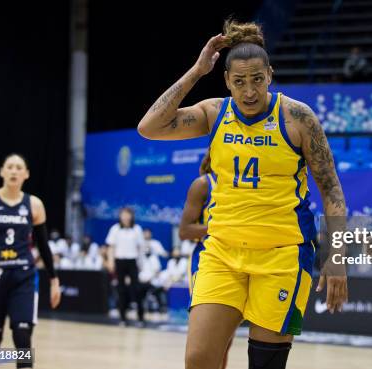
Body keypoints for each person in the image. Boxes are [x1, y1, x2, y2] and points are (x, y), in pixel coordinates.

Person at [137, 19, 348, 369]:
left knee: (264, 364)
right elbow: (150, 127)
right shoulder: (214, 112)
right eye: (238, 82)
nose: (248, 91)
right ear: (226, 82)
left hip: (281, 256)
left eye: (257, 80)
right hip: (222, 253)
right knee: (200, 359)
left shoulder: (297, 116)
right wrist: (196, 70)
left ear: (270, 75)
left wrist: (337, 256)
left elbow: (331, 189)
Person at [0, 153, 61, 369]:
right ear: (2, 171)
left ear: (26, 174)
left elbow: (43, 246)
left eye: (19, 167)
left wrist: (54, 280)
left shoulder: (35, 204)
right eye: (10, 166)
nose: (14, 171)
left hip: (24, 278)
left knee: (23, 341)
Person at [179, 151, 233, 369]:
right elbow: (184, 230)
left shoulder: (243, 185)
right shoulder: (203, 184)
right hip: (206, 259)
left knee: (226, 340)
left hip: (238, 258)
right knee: (209, 339)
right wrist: (219, 228)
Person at [105, 207, 146, 326]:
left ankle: (140, 317)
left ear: (132, 216)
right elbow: (111, 247)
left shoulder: (137, 229)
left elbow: (140, 248)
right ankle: (122, 317)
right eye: (123, 214)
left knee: (136, 289)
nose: (126, 217)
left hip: (133, 261)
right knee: (121, 290)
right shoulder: (115, 229)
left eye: (128, 215)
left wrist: (140, 263)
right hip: (120, 261)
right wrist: (111, 262)